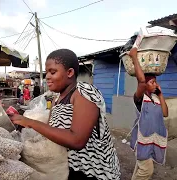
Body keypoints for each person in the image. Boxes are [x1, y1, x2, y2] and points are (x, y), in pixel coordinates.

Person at [9, 49, 120, 180]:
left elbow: (77, 140)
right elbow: (54, 131)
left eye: (53, 72)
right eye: (47, 73)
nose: (47, 77)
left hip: (93, 172)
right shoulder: (58, 98)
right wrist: (24, 127)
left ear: (70, 72)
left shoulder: (84, 91)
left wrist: (30, 122)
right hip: (68, 170)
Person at [128, 48, 168, 180]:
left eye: (156, 82)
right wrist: (134, 57)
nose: (155, 84)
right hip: (143, 141)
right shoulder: (139, 99)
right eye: (152, 82)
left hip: (153, 140)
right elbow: (142, 81)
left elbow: (165, 113)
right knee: (146, 170)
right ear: (145, 85)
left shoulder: (156, 99)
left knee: (140, 168)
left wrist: (161, 95)